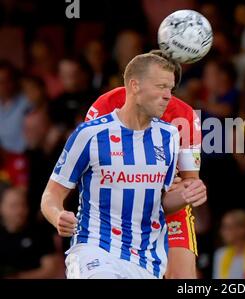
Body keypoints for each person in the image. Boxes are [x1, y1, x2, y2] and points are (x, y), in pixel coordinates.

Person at [40, 53, 205, 279]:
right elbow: (55, 191)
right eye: (161, 86)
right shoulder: (95, 124)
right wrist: (58, 214)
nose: (168, 95)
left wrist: (190, 190)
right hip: (96, 243)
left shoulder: (172, 133)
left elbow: (171, 193)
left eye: (171, 88)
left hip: (145, 248)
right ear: (135, 85)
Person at [0, 187, 62, 278]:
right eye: (13, 206)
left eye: (23, 205)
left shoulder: (40, 232)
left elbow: (50, 270)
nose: (20, 211)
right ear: (1, 208)